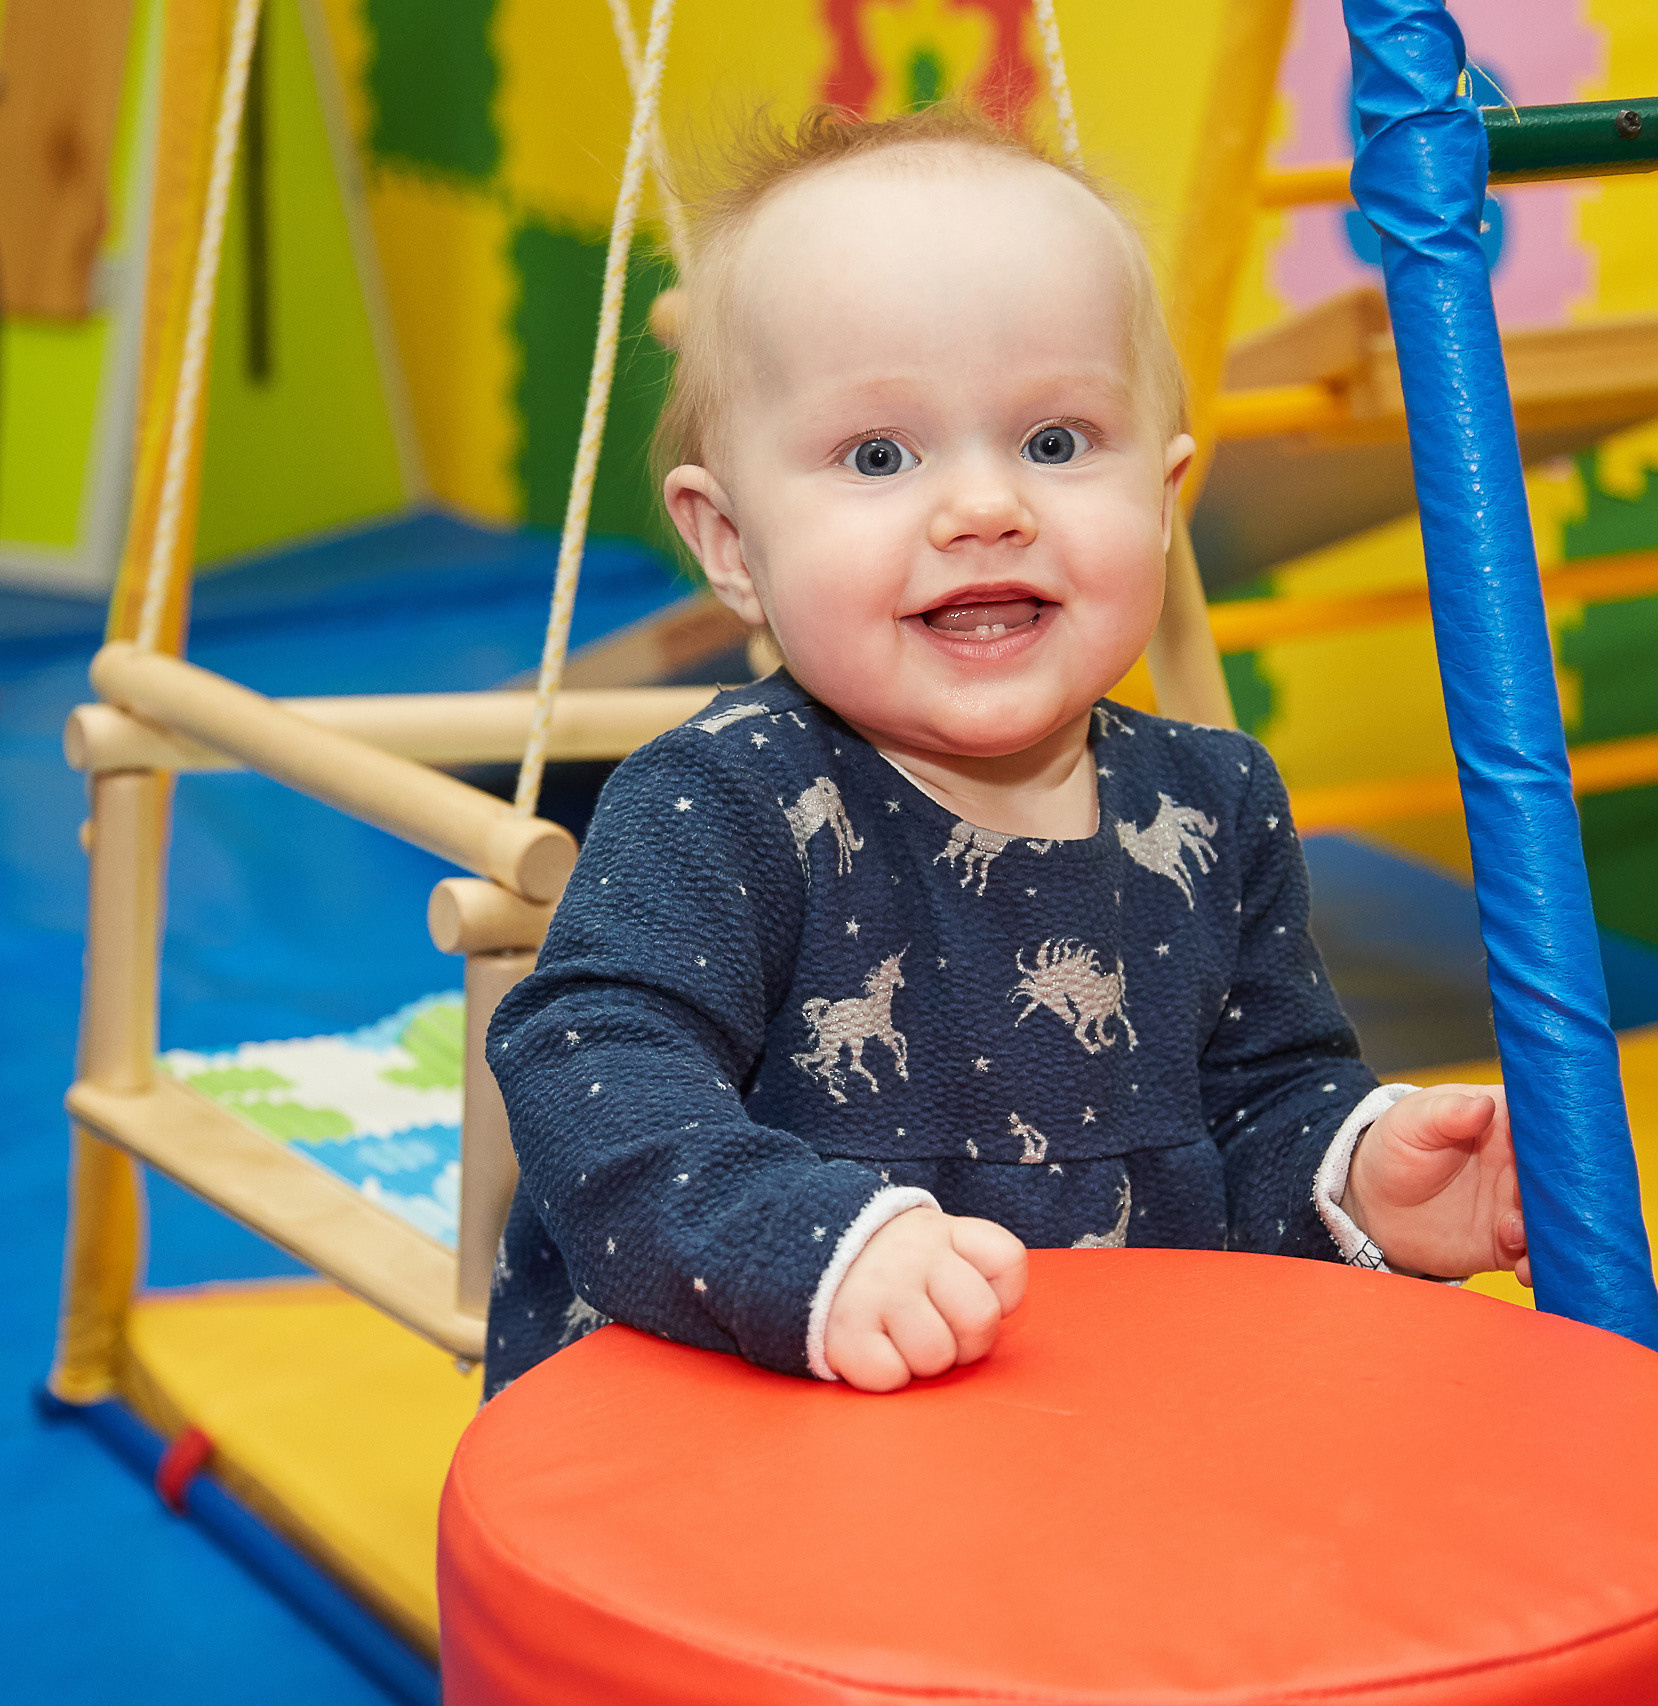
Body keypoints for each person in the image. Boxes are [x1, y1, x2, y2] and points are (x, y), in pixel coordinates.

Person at [483, 104, 1529, 1400]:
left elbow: (1258, 1119)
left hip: (1085, 1439)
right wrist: (805, 1248)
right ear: (732, 545)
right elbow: (589, 1064)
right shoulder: (726, 802)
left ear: (1160, 498)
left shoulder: (1216, 807)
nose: (986, 507)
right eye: (879, 454)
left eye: (1054, 442)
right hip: (755, 1440)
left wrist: (1363, 1176)